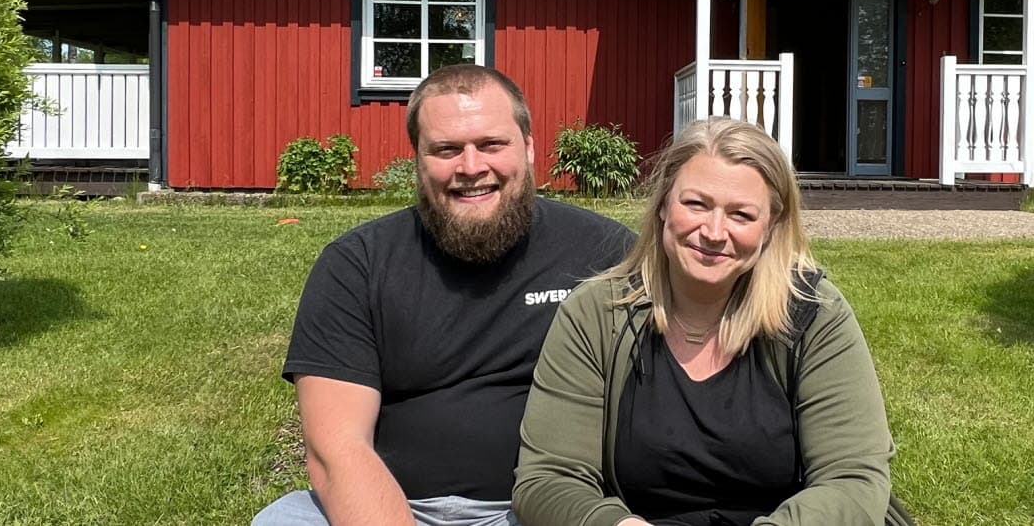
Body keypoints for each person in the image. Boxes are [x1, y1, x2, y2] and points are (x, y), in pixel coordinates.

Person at [253, 64, 635, 526]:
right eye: (447, 149)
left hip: (545, 509)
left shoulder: (606, 254)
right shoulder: (357, 265)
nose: (471, 168)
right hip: (392, 506)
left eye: (492, 144)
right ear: (417, 158)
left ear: (530, 148)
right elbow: (337, 449)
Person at [512, 117, 895, 526]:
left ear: (771, 227)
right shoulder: (596, 313)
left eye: (741, 215)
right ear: (663, 205)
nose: (714, 232)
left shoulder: (814, 315)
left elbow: (853, 477)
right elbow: (548, 479)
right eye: (696, 204)